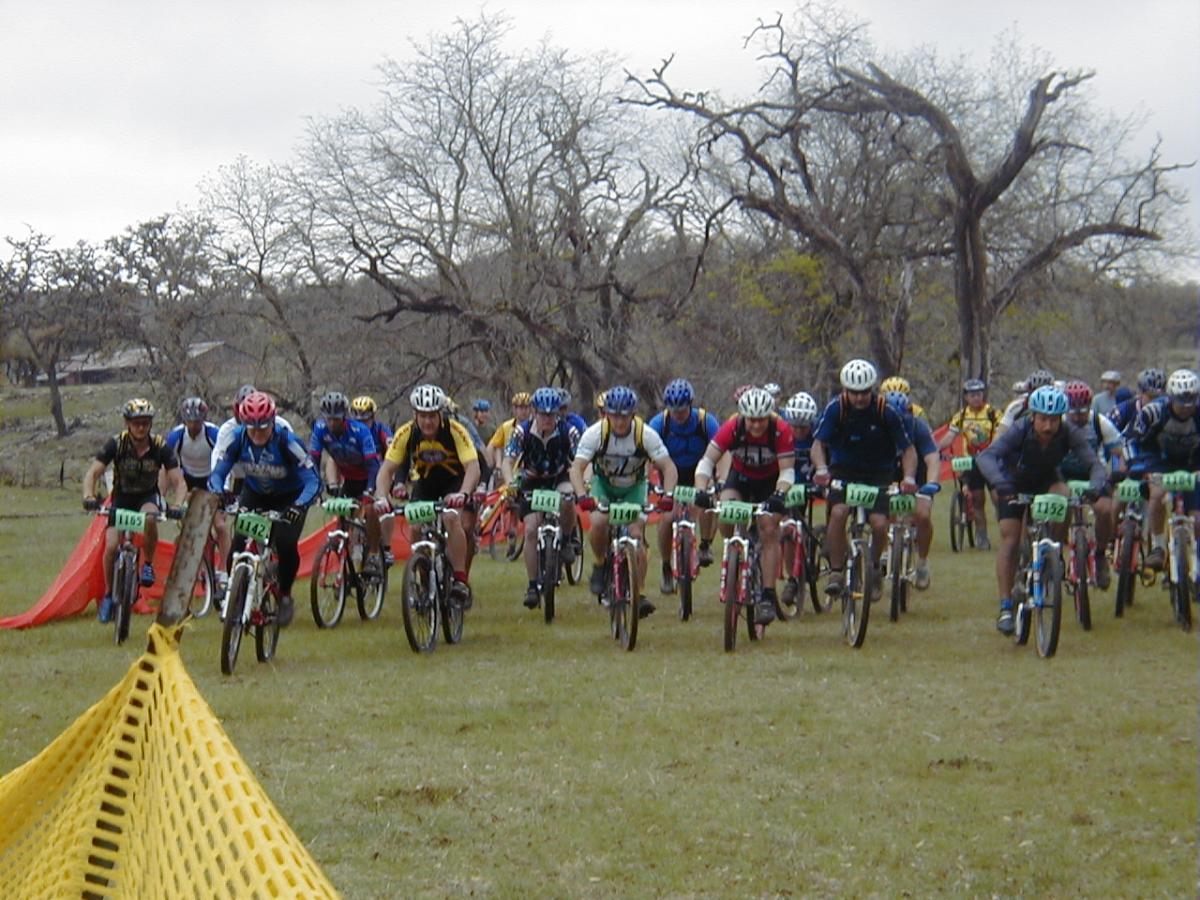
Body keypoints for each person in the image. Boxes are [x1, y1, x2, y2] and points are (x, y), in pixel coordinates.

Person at [975, 385, 1107, 635]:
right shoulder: (1020, 429)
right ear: (1033, 416)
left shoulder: (1069, 432)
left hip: (1048, 479)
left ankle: (1052, 555)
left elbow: (1094, 464)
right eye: (1043, 419)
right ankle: (1005, 606)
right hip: (1013, 482)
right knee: (1011, 538)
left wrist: (1097, 485)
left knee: (1064, 496)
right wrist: (1000, 484)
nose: (1048, 426)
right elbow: (987, 457)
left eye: (1054, 420)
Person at [207, 391, 319, 628]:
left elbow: (312, 480)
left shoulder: (287, 441)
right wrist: (221, 492)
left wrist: (300, 505)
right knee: (238, 542)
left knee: (286, 543)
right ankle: (236, 592)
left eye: (263, 428)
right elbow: (217, 472)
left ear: (272, 422)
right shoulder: (237, 439)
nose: (257, 434)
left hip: (290, 497)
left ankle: (285, 595)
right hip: (256, 493)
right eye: (252, 428)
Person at [810, 360, 917, 602]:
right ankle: (836, 572)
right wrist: (822, 469)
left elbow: (908, 449)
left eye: (864, 392)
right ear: (845, 390)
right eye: (854, 393)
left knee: (880, 524)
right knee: (838, 513)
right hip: (843, 471)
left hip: (878, 473)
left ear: (873, 389)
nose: (859, 398)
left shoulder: (886, 411)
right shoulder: (835, 409)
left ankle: (874, 567)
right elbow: (818, 445)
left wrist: (909, 477)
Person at [570, 386, 677, 619]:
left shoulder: (645, 434)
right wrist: (582, 495)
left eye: (624, 416)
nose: (619, 421)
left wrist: (668, 495)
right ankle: (600, 563)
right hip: (604, 485)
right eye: (614, 415)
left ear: (633, 414)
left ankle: (639, 593)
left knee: (636, 537)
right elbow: (577, 468)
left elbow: (668, 466)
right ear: (607, 413)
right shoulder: (596, 433)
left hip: (634, 487)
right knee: (598, 522)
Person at [692, 386, 795, 625]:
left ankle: (768, 594)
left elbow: (788, 472)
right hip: (740, 479)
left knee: (769, 529)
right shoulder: (732, 427)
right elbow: (707, 462)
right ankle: (734, 549)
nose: (757, 426)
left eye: (761, 420)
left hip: (771, 482)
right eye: (752, 421)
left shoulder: (781, 430)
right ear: (743, 416)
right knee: (726, 516)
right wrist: (700, 490)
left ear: (769, 416)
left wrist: (780, 494)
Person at [374, 384, 481, 608]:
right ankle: (421, 573)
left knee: (452, 518)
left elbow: (473, 467)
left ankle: (460, 579)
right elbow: (386, 470)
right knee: (415, 526)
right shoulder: (406, 433)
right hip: (425, 484)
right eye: (422, 416)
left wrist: (463, 493)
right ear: (415, 415)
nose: (427, 422)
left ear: (440, 414)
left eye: (432, 416)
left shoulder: (455, 430)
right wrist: (382, 497)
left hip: (455, 482)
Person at [83, 399, 187, 622]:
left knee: (150, 518)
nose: (141, 428)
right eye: (137, 423)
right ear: (127, 423)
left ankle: (147, 565)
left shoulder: (160, 446)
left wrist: (178, 504)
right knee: (110, 546)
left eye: (146, 423)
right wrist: (89, 496)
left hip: (147, 497)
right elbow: (92, 473)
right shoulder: (116, 444)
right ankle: (110, 594)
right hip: (120, 498)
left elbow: (178, 480)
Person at [502, 387, 582, 610]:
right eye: (543, 414)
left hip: (559, 477)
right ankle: (531, 584)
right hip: (532, 480)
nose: (548, 419)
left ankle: (566, 539)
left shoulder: (570, 432)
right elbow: (508, 461)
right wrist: (510, 482)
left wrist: (583, 483)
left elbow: (583, 461)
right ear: (534, 413)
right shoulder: (521, 432)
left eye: (552, 414)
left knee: (567, 498)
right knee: (530, 530)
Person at [647, 378, 721, 593]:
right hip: (671, 473)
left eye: (682, 410)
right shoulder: (660, 424)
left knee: (705, 501)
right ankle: (666, 566)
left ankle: (705, 544)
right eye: (674, 410)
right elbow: (647, 454)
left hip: (699, 470)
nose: (678, 415)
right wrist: (649, 483)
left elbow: (719, 450)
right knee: (667, 517)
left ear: (691, 404)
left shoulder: (705, 421)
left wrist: (717, 481)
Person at [1127, 369, 1200, 571]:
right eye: (1180, 401)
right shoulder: (1153, 412)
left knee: (1197, 518)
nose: (1186, 407)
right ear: (1170, 397)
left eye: (1191, 401)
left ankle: (1194, 557)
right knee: (1157, 494)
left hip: (1192, 462)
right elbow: (1129, 439)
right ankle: (1158, 546)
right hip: (1159, 459)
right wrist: (1134, 465)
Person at [309, 391, 385, 570]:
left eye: (336, 419)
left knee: (370, 509)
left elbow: (373, 466)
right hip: (349, 479)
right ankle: (342, 565)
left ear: (345, 417)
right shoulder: (320, 430)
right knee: (341, 516)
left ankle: (374, 554)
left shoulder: (360, 431)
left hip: (369, 476)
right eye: (329, 419)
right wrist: (316, 488)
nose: (332, 423)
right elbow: (313, 461)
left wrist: (370, 491)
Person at [1061, 380, 1125, 587]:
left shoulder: (1099, 422)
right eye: (1073, 412)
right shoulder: (1057, 423)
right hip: (1063, 474)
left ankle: (1099, 554)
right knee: (1060, 511)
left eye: (1082, 411)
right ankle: (1056, 556)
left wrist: (1117, 473)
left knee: (1105, 511)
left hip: (1093, 474)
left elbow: (1119, 455)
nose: (1078, 417)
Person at [165, 396, 230, 593]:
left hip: (212, 478)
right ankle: (195, 570)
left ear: (203, 419)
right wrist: (161, 495)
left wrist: (224, 491)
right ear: (184, 420)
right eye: (189, 421)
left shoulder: (213, 433)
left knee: (220, 525)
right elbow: (167, 468)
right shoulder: (176, 436)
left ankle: (225, 570)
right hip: (189, 481)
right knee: (187, 526)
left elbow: (224, 462)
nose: (193, 425)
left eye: (197, 421)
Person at [884, 391, 942, 589]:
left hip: (918, 475)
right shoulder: (879, 428)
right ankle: (883, 555)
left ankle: (922, 561)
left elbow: (932, 457)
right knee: (882, 515)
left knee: (922, 516)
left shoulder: (918, 427)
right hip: (887, 472)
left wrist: (931, 483)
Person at [936, 378, 1001, 549]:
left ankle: (1006, 529)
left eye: (978, 394)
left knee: (998, 498)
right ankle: (981, 537)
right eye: (972, 395)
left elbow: (1000, 436)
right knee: (977, 500)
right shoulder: (961, 416)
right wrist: (936, 449)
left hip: (991, 461)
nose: (976, 398)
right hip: (970, 463)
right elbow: (950, 436)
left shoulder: (993, 413)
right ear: (966, 397)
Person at [211, 383, 293, 494]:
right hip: (242, 477)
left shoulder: (282, 426)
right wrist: (222, 488)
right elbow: (218, 459)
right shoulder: (227, 430)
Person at [778, 390, 820, 608]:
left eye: (803, 427)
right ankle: (791, 578)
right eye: (794, 426)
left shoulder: (819, 435)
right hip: (788, 486)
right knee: (787, 528)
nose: (797, 431)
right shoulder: (782, 433)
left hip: (810, 485)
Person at [350, 394, 397, 565]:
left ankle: (386, 548)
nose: (362, 424)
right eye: (358, 420)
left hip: (378, 475)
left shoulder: (381, 430)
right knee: (349, 509)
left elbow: (393, 452)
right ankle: (351, 548)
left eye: (366, 420)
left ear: (373, 417)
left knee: (384, 505)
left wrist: (390, 479)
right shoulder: (350, 433)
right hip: (357, 475)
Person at [1109, 368, 1165, 437]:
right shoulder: (1122, 411)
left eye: (1159, 398)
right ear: (1141, 393)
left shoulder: (1166, 411)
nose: (1155, 402)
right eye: (1151, 397)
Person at [997, 368, 1054, 434]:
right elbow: (1001, 432)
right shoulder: (1016, 406)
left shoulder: (1057, 408)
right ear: (1028, 390)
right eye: (1034, 391)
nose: (1039, 396)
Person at [486, 392, 533, 472]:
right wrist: (496, 466)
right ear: (515, 409)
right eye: (521, 408)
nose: (524, 411)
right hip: (509, 471)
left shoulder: (535, 427)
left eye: (526, 408)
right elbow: (494, 445)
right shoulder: (506, 426)